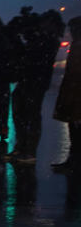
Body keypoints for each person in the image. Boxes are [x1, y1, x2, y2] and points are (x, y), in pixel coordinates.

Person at [8, 9, 64, 164]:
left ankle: (29, 151)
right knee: (19, 115)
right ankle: (21, 147)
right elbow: (24, 52)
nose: (42, 25)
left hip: (36, 81)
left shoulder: (50, 40)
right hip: (26, 79)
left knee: (31, 116)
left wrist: (29, 34)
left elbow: (37, 54)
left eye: (46, 22)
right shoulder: (39, 37)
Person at [52, 17, 81, 173]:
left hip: (75, 96)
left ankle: (74, 162)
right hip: (73, 95)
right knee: (75, 131)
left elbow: (75, 74)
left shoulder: (78, 46)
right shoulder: (76, 45)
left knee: (76, 131)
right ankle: (74, 161)